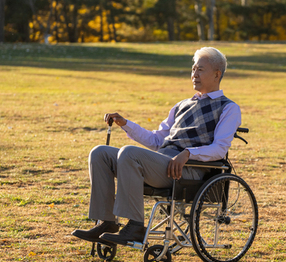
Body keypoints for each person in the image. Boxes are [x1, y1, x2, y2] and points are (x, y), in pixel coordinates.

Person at [72, 47, 241, 246]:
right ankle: (107, 222)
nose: (194, 74)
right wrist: (126, 124)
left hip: (188, 170)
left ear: (216, 74)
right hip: (163, 164)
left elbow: (220, 149)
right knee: (100, 153)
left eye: (200, 69)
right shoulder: (181, 105)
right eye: (193, 69)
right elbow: (156, 140)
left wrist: (187, 153)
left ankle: (135, 226)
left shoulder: (228, 108)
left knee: (129, 153)